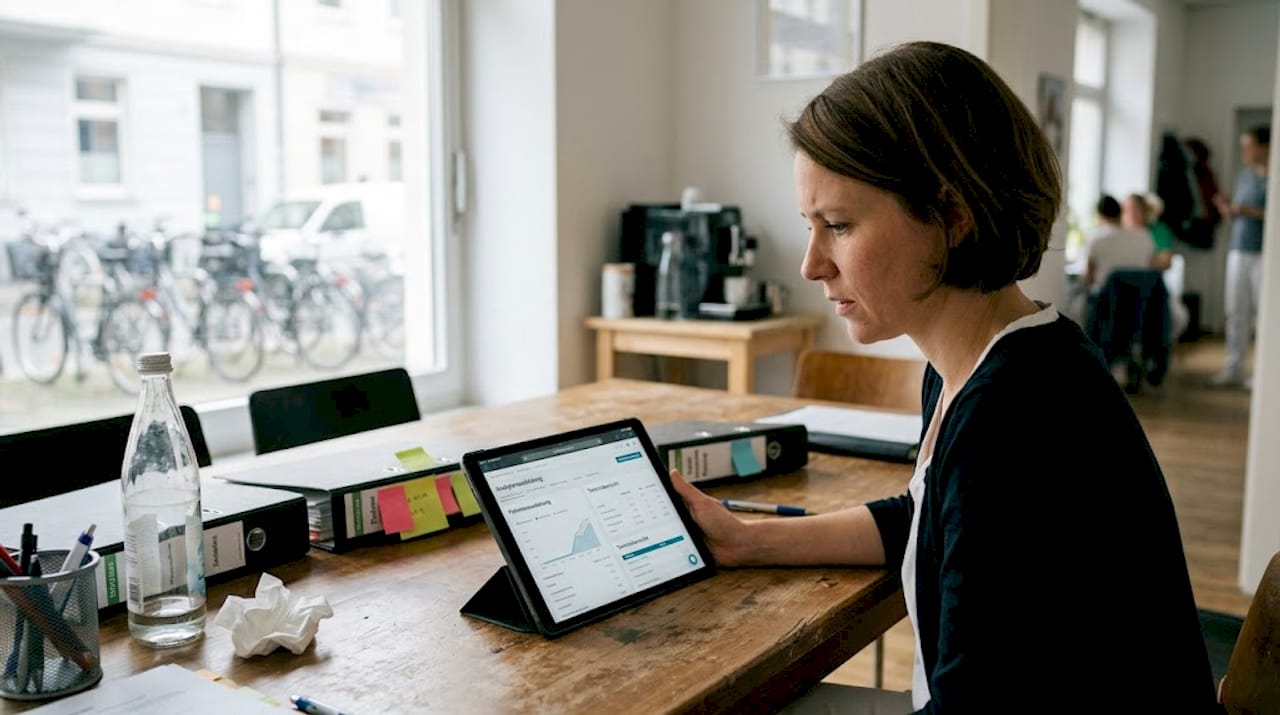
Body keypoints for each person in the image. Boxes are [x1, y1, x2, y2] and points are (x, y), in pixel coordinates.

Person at [669, 41, 1215, 713]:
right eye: (810, 227)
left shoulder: (1014, 417)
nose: (812, 264)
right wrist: (750, 538)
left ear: (953, 217)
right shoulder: (988, 360)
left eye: (838, 225)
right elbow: (926, 520)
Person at [1210, 125, 1269, 389]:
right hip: (1238, 248)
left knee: (1261, 312)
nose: (1245, 151)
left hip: (1263, 253)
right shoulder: (1244, 176)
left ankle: (1261, 373)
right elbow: (1236, 211)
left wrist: (1250, 210)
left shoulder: (1273, 176)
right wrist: (1229, 208)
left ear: (1264, 147)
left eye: (1249, 145)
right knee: (1235, 311)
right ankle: (1233, 368)